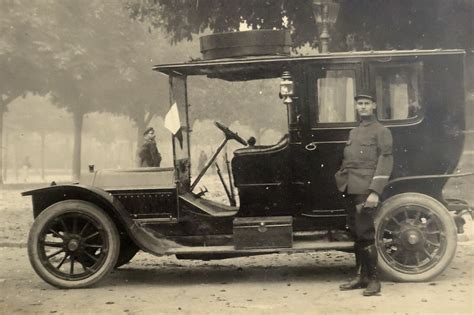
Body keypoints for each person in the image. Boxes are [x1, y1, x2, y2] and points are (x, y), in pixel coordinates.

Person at [335, 91, 393, 296]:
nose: (363, 107)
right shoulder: (354, 132)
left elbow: (385, 162)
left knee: (366, 235)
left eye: (366, 103)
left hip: (366, 190)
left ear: (374, 106)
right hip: (350, 188)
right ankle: (361, 277)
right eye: (359, 104)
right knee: (357, 234)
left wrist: (374, 192)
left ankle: (375, 281)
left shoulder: (382, 131)